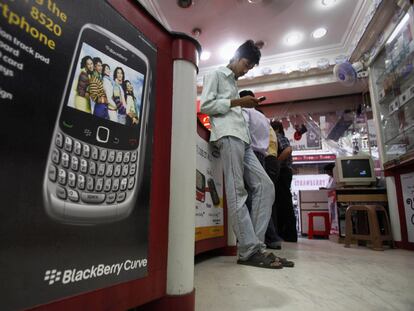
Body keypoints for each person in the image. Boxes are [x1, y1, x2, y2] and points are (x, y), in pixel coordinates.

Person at [201, 40, 281, 269]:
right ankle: (249, 250)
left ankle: (255, 246)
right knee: (237, 190)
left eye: (250, 68)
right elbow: (206, 105)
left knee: (266, 186)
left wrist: (243, 103)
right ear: (236, 56)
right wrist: (239, 102)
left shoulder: (234, 83)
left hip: (243, 139)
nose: (246, 70)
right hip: (228, 135)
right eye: (246, 64)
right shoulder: (216, 74)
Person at [271, 119, 298, 242]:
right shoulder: (281, 136)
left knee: (284, 203)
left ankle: (289, 234)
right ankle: (287, 234)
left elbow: (288, 150)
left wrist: (276, 162)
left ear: (275, 129)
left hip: (282, 172)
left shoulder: (277, 136)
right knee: (283, 202)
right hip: (285, 172)